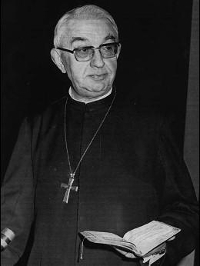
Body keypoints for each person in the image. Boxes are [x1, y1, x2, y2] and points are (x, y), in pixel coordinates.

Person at [1, 4, 199, 266]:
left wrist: (160, 244)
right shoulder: (36, 127)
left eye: (108, 48)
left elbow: (187, 212)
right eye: (83, 50)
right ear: (59, 60)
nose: (99, 62)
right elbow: (12, 221)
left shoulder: (151, 127)